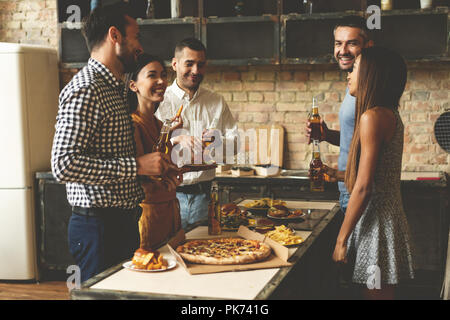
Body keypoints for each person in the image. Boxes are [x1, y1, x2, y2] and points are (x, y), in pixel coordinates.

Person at [51, 3, 177, 282]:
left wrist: (152, 174)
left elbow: (113, 156)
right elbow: (63, 164)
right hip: (98, 228)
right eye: (136, 37)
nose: (140, 47)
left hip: (122, 222)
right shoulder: (86, 88)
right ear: (115, 36)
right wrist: (136, 166)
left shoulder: (116, 87)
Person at [332, 46, 415, 299]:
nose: (349, 74)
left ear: (371, 74)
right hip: (384, 218)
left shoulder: (372, 117)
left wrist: (341, 240)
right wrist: (333, 173)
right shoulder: (386, 113)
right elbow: (374, 176)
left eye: (355, 68)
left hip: (376, 222)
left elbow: (365, 186)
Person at [155, 38, 239, 229]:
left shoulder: (216, 101)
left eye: (200, 65)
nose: (195, 70)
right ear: (175, 64)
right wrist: (175, 139)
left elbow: (235, 145)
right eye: (189, 64)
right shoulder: (159, 100)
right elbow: (148, 145)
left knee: (202, 251)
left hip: (205, 195)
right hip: (168, 195)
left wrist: (217, 142)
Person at [306, 17, 373, 214]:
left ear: (368, 46)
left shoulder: (369, 92)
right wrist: (327, 135)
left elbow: (373, 154)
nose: (342, 51)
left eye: (351, 43)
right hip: (348, 190)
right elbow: (357, 140)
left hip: (360, 193)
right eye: (338, 43)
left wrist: (336, 174)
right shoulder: (353, 86)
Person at [127, 53, 183, 249]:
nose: (161, 81)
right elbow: (140, 174)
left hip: (170, 213)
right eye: (152, 75)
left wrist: (173, 170)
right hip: (148, 216)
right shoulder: (132, 124)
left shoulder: (160, 125)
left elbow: (162, 166)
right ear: (133, 85)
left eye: (163, 75)